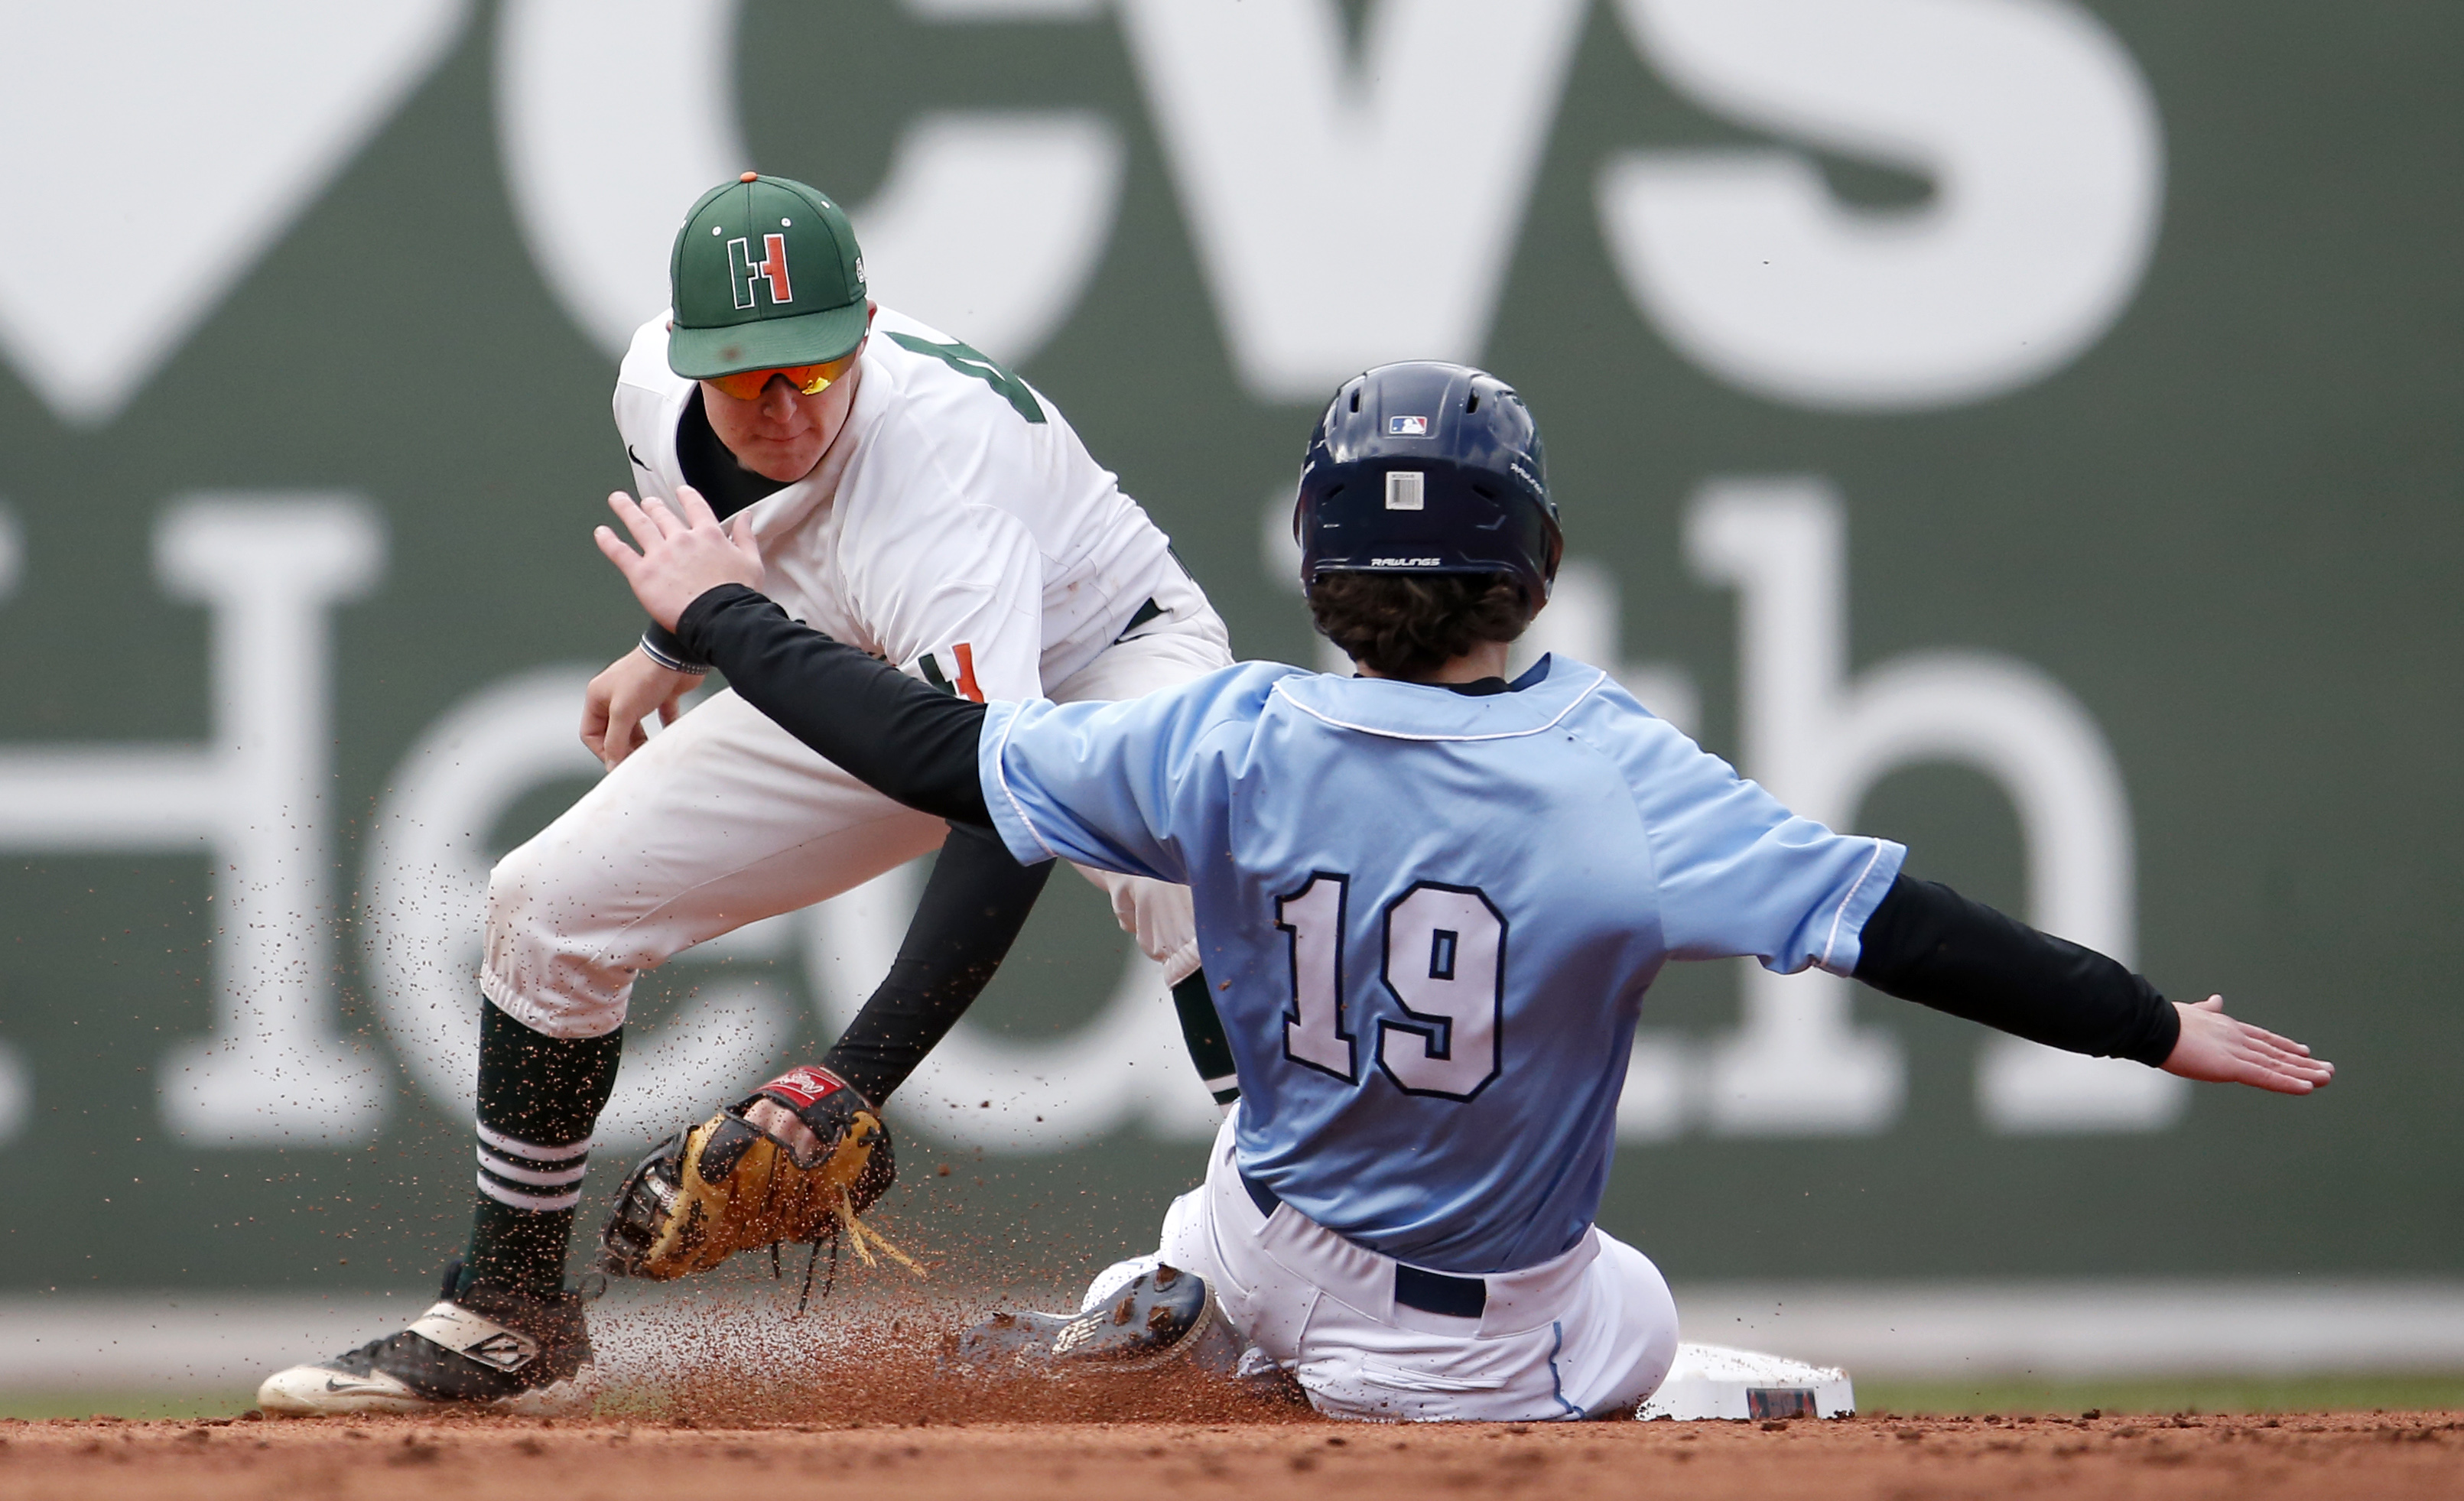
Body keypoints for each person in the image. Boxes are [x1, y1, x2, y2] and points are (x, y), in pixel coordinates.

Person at [583, 358, 2332, 1422]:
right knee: (1645, 1323)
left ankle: (1180, 1310)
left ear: (1323, 570)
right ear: (1539, 559)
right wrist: (2151, 1022)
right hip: (1473, 1344)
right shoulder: (1625, 788)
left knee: (1245, 1235)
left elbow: (942, 756)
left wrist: (722, 612)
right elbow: (1914, 930)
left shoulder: (1231, 739)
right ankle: (1616, 1398)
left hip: (1267, 1240)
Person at [258, 173, 1238, 1416]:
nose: (780, 408)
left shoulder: (941, 487)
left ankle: (1300, 1264)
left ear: (867, 329)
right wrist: (675, 647)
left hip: (1099, 657)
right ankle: (508, 1313)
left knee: (1178, 884)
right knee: (545, 902)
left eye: (812, 371)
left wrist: (849, 1080)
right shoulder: (651, 391)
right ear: (684, 358)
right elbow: (749, 545)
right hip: (863, 662)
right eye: (745, 376)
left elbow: (1009, 797)